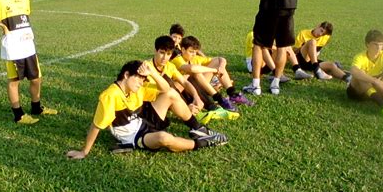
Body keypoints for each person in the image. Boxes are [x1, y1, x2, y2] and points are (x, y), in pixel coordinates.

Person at [66, 60, 228, 159]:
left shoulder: (138, 88)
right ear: (126, 75)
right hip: (133, 135)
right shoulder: (110, 95)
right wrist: (84, 152)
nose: (141, 83)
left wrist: (153, 74)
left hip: (143, 120)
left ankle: (199, 129)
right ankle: (203, 143)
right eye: (139, 79)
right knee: (164, 138)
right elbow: (97, 126)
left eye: (144, 80)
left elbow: (165, 90)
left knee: (171, 93)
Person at [147, 36, 239, 124]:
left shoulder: (169, 65)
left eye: (168, 54)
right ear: (155, 51)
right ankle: (208, 106)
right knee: (175, 80)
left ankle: (215, 104)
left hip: (179, 93)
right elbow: (158, 93)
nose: (164, 58)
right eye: (162, 53)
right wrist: (214, 70)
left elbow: (185, 82)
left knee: (186, 77)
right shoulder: (148, 67)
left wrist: (196, 97)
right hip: (154, 104)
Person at [172, 36, 254, 111]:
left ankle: (232, 94)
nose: (193, 54)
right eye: (191, 52)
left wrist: (221, 67)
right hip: (184, 90)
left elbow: (220, 59)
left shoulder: (195, 58)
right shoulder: (178, 59)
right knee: (196, 73)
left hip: (198, 86)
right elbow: (192, 68)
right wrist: (214, 70)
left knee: (217, 64)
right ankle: (219, 99)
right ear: (182, 50)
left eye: (195, 52)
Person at [245, 31, 312, 81]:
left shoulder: (271, 34)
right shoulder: (253, 34)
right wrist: (281, 49)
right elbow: (261, 47)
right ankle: (275, 73)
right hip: (254, 65)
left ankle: (297, 70)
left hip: (267, 64)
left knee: (286, 45)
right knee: (263, 48)